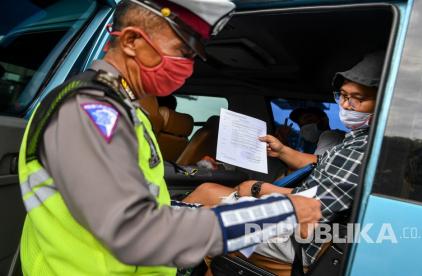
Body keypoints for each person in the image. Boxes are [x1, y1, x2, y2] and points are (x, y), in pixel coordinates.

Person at [17, 1, 321, 275]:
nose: (187, 67)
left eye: (191, 57)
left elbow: (139, 195)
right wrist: (278, 214)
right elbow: (134, 232)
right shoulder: (89, 111)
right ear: (133, 40)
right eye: (181, 52)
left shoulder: (126, 110)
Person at [184, 51, 384, 274]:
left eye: (358, 98)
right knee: (208, 190)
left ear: (383, 103)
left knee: (195, 217)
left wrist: (259, 188)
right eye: (343, 96)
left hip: (296, 240)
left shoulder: (359, 149)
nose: (346, 106)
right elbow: (320, 162)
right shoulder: (357, 142)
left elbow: (311, 211)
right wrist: (282, 151)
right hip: (297, 226)